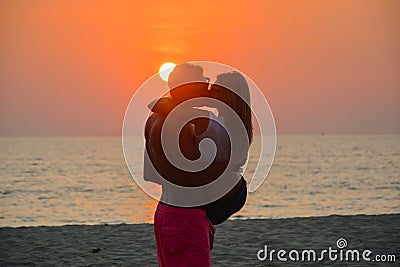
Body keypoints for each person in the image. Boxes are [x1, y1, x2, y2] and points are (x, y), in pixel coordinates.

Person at [144, 63, 226, 267]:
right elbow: (226, 162)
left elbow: (150, 174)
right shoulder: (201, 121)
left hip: (164, 212)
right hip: (190, 215)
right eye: (203, 82)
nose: (207, 87)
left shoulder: (153, 119)